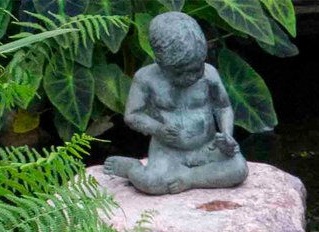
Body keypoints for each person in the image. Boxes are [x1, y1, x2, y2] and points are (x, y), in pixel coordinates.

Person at [104, 13, 249, 196]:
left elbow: (223, 107)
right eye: (180, 72)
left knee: (239, 169)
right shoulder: (146, 78)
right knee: (151, 183)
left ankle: (189, 177)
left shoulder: (209, 74)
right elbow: (132, 115)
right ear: (159, 62)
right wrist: (157, 129)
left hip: (207, 146)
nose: (190, 77)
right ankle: (133, 168)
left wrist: (227, 135)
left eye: (197, 69)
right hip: (167, 148)